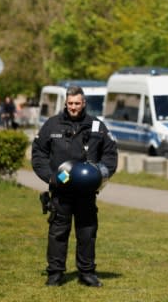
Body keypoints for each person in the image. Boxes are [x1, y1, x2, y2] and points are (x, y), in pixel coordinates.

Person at [31, 85, 118, 287]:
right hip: (60, 191)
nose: (73, 107)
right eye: (70, 103)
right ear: (66, 103)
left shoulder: (97, 126)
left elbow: (110, 155)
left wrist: (100, 175)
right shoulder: (52, 126)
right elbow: (38, 155)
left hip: (86, 192)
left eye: (77, 103)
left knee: (87, 232)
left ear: (84, 103)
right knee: (58, 232)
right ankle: (55, 273)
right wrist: (51, 178)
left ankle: (87, 273)